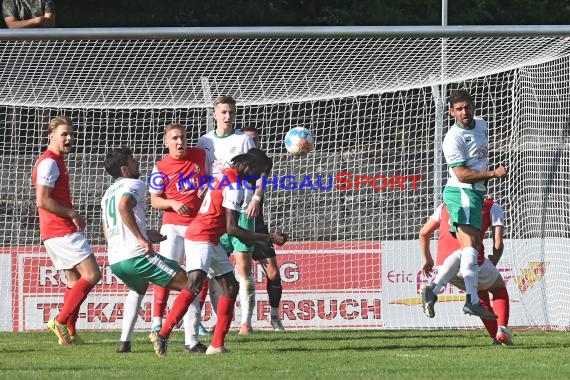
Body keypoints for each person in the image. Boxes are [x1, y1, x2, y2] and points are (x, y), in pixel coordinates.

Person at [152, 150, 288, 356]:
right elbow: (232, 228)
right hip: (201, 237)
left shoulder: (226, 173)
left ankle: (216, 346)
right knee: (194, 284)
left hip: (210, 238)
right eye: (260, 172)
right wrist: (268, 238)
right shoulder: (235, 186)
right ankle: (163, 334)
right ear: (249, 167)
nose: (259, 177)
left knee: (231, 287)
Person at [101, 147, 208, 354]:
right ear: (124, 168)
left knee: (138, 289)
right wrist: (141, 239)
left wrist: (146, 233)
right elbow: (124, 207)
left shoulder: (107, 194)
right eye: (132, 160)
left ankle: (124, 343)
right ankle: (190, 342)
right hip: (136, 256)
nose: (136, 161)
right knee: (191, 284)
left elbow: (109, 229)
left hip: (116, 259)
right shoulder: (134, 183)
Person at [424, 89, 507, 319]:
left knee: (467, 249)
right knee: (471, 246)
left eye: (467, 107)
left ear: (473, 107)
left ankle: (433, 288)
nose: (464, 111)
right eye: (459, 109)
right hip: (461, 191)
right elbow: (460, 174)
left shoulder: (482, 124)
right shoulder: (452, 138)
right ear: (452, 112)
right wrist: (493, 173)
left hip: (475, 194)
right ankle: (471, 300)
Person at [32, 116, 102, 345]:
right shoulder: (49, 162)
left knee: (74, 281)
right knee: (92, 274)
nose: (70, 138)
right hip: (60, 229)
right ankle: (60, 321)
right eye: (64, 134)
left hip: (54, 231)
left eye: (71, 134)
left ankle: (69, 333)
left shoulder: (57, 161)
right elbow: (42, 200)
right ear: (51, 135)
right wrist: (72, 213)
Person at [197, 95, 261, 335]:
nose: (227, 116)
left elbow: (259, 171)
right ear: (214, 114)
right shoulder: (205, 141)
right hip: (216, 210)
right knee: (214, 268)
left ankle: (246, 323)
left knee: (243, 265)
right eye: (223, 112)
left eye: (231, 112)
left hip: (241, 207)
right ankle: (219, 320)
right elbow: (203, 173)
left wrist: (256, 197)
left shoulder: (243, 140)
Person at [146, 123, 209, 353]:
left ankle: (191, 338)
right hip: (172, 228)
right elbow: (154, 201)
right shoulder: (160, 167)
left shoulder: (200, 156)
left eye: (182, 137)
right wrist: (172, 202)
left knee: (193, 280)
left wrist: (207, 186)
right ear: (166, 142)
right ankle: (156, 322)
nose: (180, 142)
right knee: (166, 274)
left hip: (197, 227)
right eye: (174, 138)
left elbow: (209, 179)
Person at [419, 197, 512, 345]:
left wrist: (427, 259)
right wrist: (495, 258)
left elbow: (424, 232)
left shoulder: (445, 205)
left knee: (479, 292)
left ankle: (495, 337)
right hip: (469, 259)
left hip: (444, 266)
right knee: (498, 287)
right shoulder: (491, 205)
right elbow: (498, 243)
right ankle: (501, 330)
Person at [233, 126, 285, 331]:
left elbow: (262, 180)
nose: (251, 143)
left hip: (256, 223)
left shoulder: (261, 163)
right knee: (213, 273)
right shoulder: (236, 162)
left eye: (254, 140)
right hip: (232, 223)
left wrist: (257, 196)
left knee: (273, 273)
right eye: (248, 140)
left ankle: (274, 317)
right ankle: (222, 321)